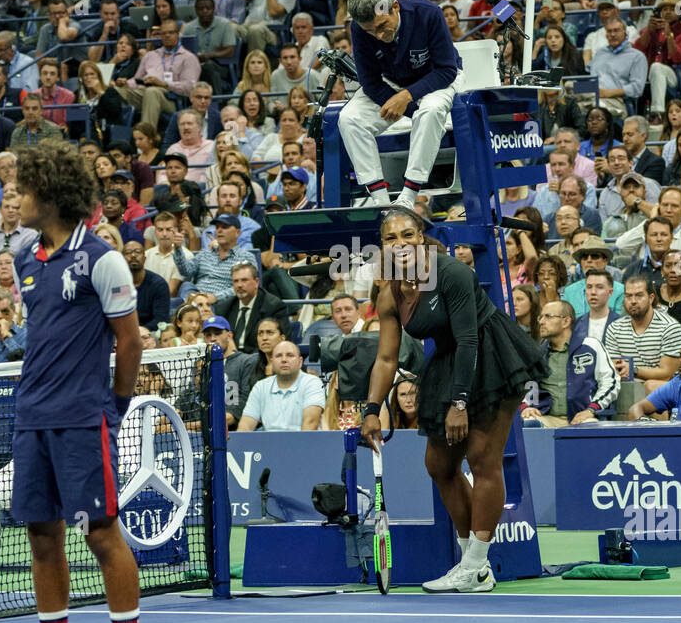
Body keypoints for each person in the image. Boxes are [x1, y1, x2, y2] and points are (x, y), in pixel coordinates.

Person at [0, 140, 147, 623]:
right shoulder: (22, 258)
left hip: (85, 417)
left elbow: (128, 342)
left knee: (101, 532)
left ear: (53, 196)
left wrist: (115, 403)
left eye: (27, 190)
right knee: (41, 534)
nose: (18, 198)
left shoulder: (103, 259)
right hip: (32, 415)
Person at [357, 209, 547, 594]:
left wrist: (459, 403)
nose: (400, 244)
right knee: (439, 464)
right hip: (449, 359)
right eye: (391, 238)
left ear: (421, 236)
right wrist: (372, 409)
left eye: (407, 234)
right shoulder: (390, 292)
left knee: (481, 457)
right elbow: (386, 358)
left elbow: (470, 340)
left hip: (490, 353)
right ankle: (473, 567)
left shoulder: (451, 273)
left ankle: (475, 564)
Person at [339, 0, 463, 209]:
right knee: (349, 119)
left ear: (395, 6)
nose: (377, 35)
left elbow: (447, 70)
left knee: (431, 109)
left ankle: (409, 195)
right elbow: (370, 83)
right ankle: (380, 200)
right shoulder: (359, 28)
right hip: (392, 82)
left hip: (437, 77)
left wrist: (406, 97)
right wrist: (408, 109)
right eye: (370, 31)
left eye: (382, 25)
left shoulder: (428, 13)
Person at [520, 300, 618, 427]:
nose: (541, 322)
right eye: (541, 317)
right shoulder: (537, 353)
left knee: (590, 428)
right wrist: (526, 406)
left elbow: (610, 382)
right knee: (528, 424)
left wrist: (591, 409)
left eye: (548, 317)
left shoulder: (591, 346)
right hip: (545, 417)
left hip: (583, 416)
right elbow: (524, 385)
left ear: (566, 321)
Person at [604, 271, 681, 392]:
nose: (633, 301)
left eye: (639, 295)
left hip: (662, 393)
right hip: (626, 391)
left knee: (651, 385)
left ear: (651, 298)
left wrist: (633, 370)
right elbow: (616, 368)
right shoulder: (614, 328)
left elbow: (667, 374)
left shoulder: (670, 328)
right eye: (628, 296)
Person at [237, 340, 324, 431]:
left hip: (303, 442)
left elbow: (311, 423)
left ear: (300, 362)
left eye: (290, 355)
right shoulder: (260, 387)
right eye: (278, 356)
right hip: (269, 443)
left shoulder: (312, 382)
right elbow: (245, 426)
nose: (284, 360)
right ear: (272, 362)